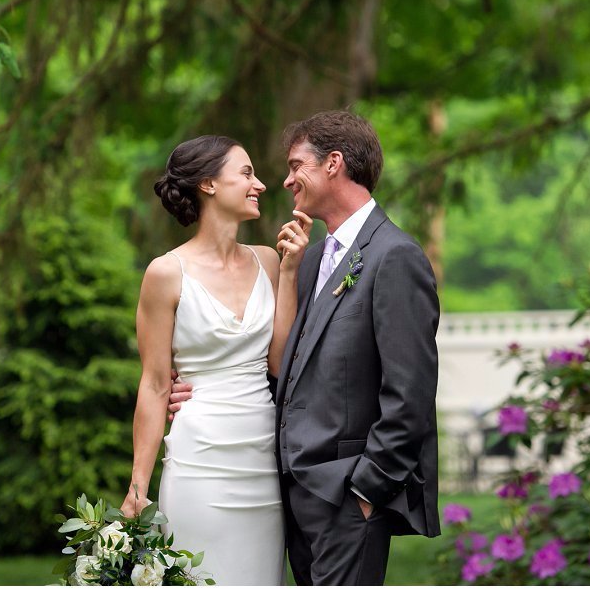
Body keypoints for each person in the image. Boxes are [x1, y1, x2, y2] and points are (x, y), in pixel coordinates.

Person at [172, 110, 441, 585]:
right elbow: (284, 365)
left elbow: (410, 394)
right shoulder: (310, 259)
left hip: (349, 498)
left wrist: (367, 490)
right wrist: (200, 390)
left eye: (298, 165)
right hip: (293, 498)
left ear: (333, 163)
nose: (287, 179)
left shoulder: (394, 257)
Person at [119, 135, 311, 586]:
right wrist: (137, 487)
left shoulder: (268, 261)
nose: (260, 184)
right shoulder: (166, 274)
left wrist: (288, 273)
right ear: (207, 184)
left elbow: (281, 364)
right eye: (246, 173)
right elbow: (154, 385)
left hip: (263, 460)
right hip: (199, 462)